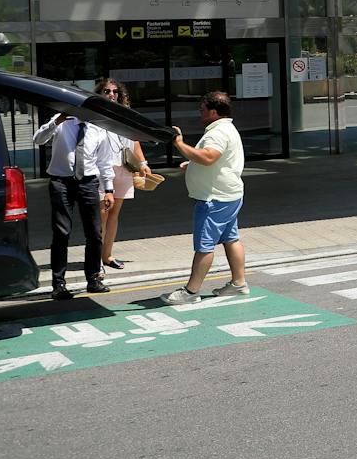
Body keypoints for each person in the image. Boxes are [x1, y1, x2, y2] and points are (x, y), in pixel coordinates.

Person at [161, 92, 249, 305]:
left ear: (213, 112)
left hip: (215, 199)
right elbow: (217, 159)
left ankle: (191, 292)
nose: (200, 113)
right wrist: (193, 165)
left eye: (202, 109)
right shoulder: (227, 128)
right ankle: (239, 283)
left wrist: (179, 144)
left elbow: (209, 157)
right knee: (231, 239)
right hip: (229, 195)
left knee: (205, 245)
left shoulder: (217, 133)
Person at [32, 102, 117, 298]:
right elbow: (38, 139)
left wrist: (109, 189)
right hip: (61, 181)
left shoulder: (98, 128)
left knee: (94, 232)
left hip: (88, 182)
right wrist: (56, 122)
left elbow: (104, 162)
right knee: (62, 232)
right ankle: (59, 284)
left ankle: (93, 279)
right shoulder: (61, 121)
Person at [95, 78, 151, 271]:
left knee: (114, 214)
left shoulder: (126, 113)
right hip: (104, 169)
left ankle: (107, 255)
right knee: (102, 214)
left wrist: (142, 163)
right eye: (107, 91)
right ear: (100, 93)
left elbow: (135, 141)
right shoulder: (95, 115)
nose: (111, 94)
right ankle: (95, 259)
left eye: (115, 91)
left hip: (125, 168)